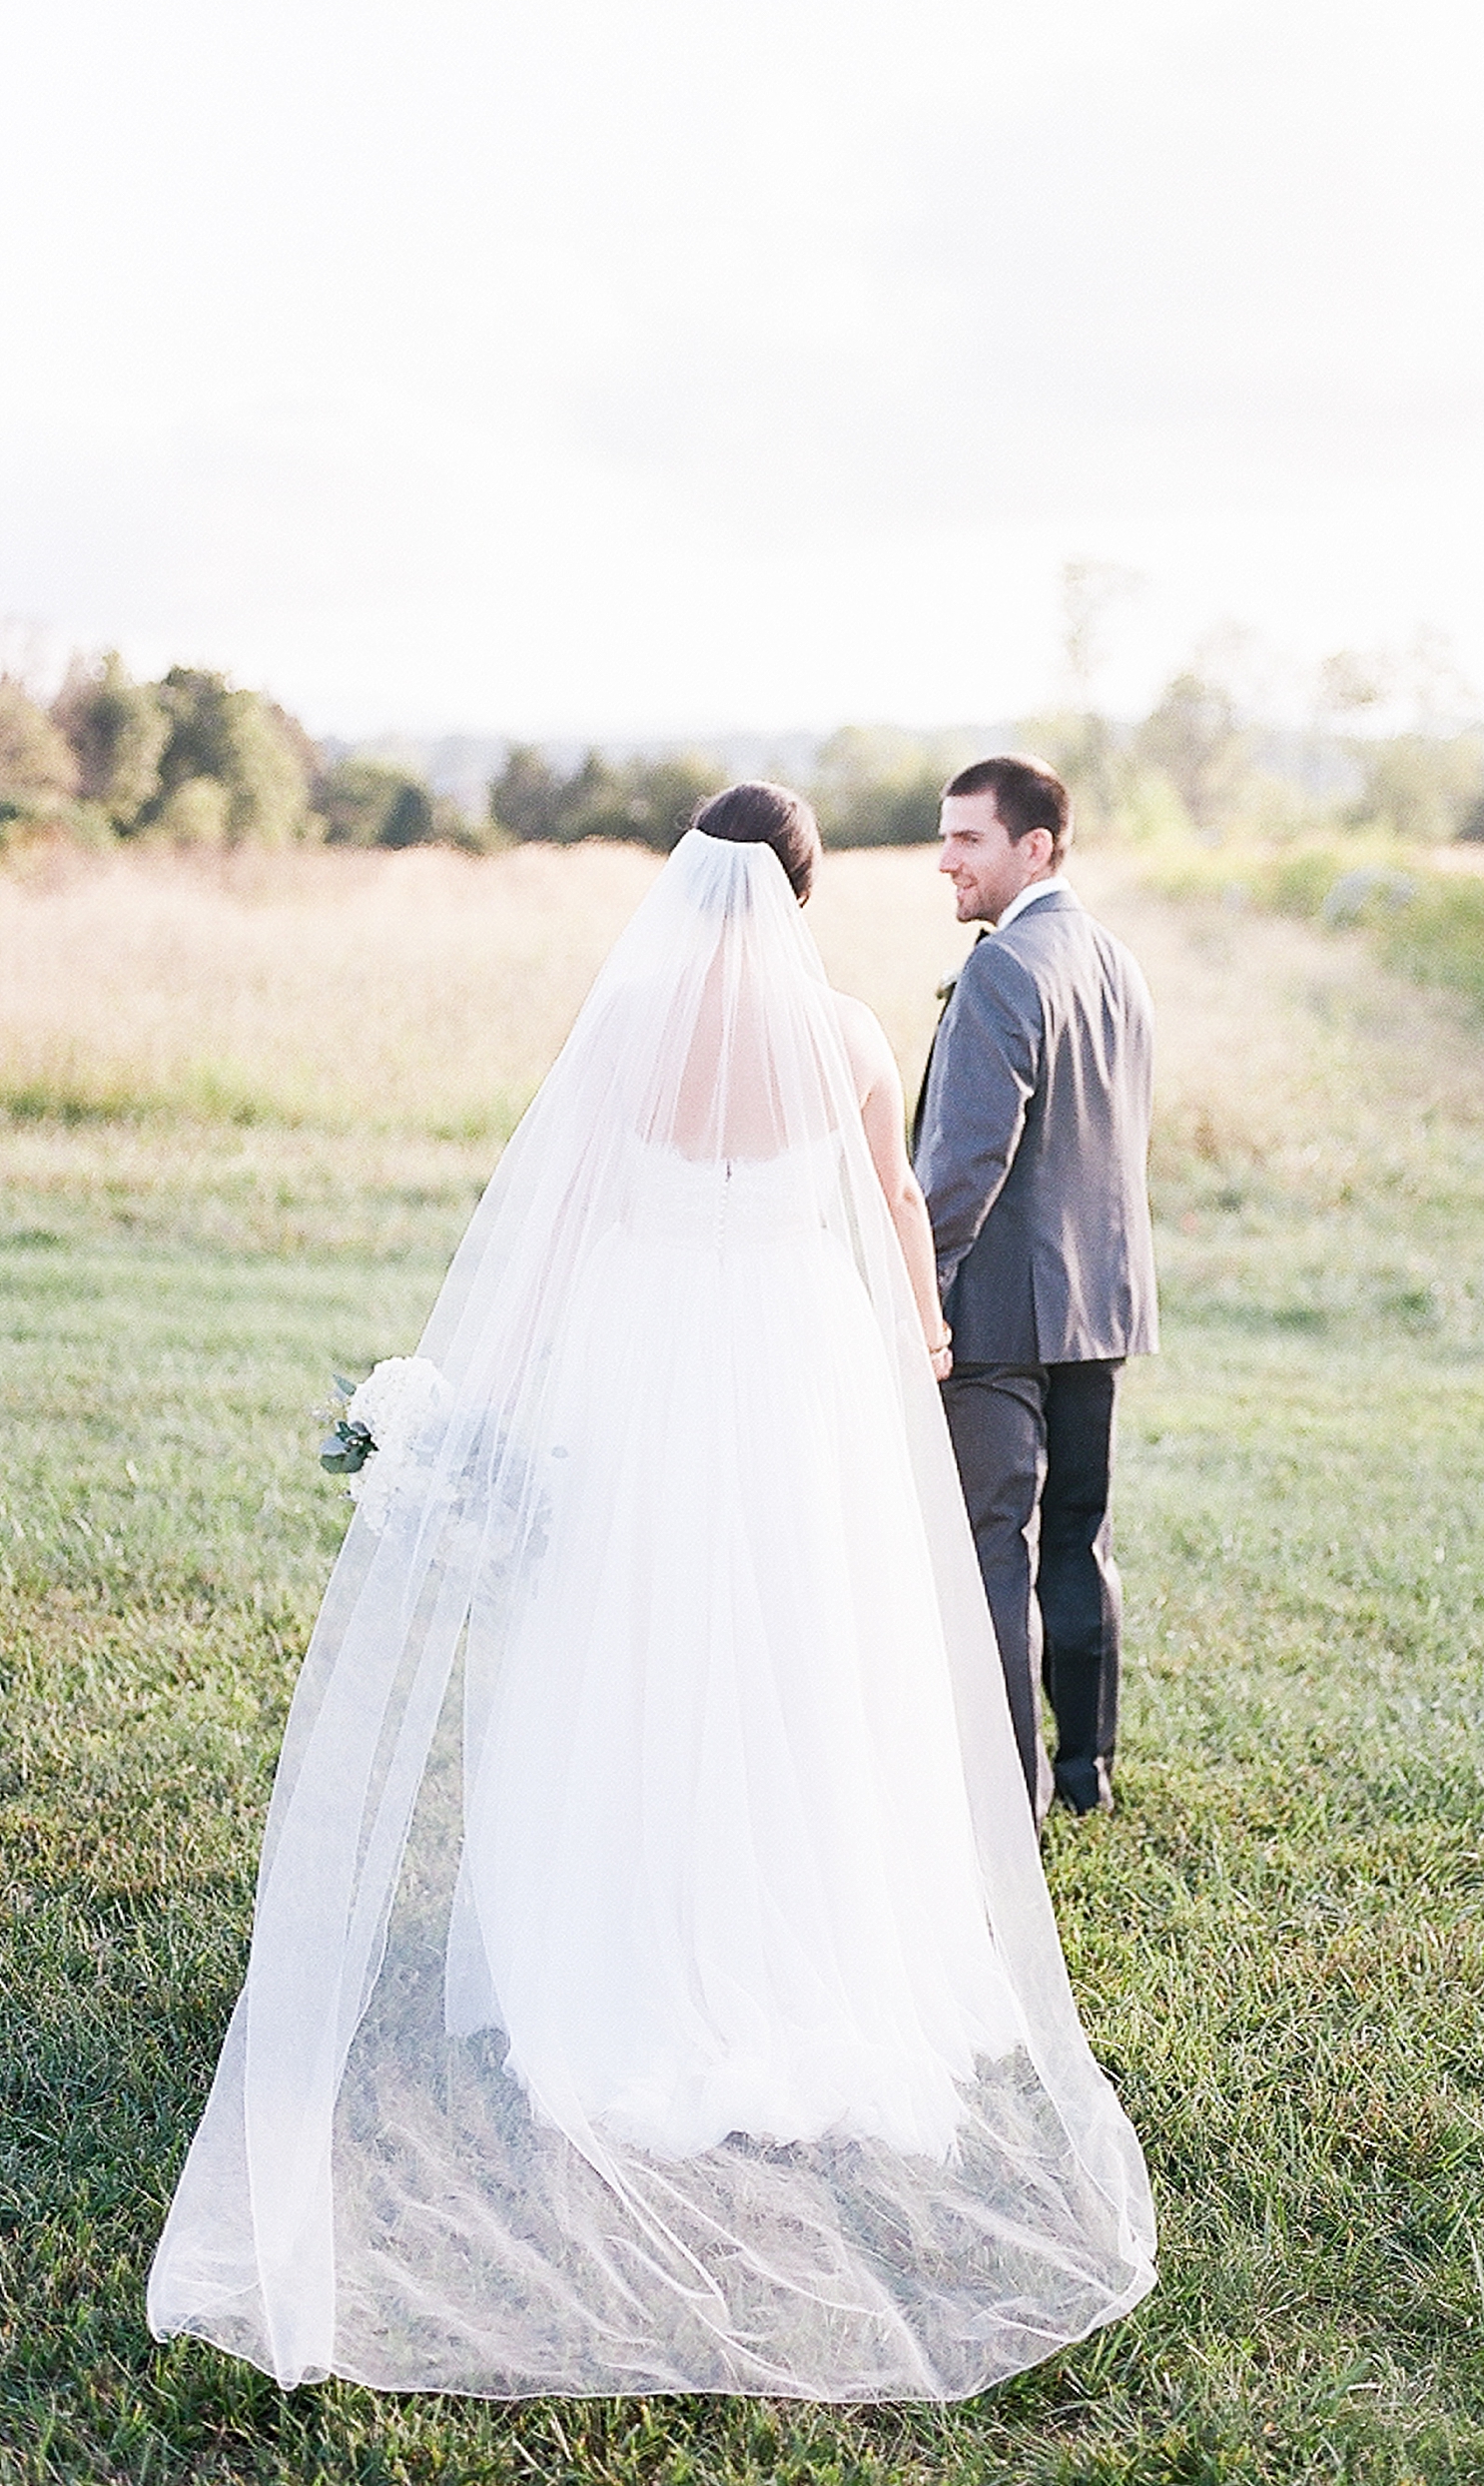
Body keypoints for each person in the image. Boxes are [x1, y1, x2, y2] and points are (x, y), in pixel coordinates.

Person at [148, 784, 1153, 2402]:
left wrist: (476, 1392)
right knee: (803, 1661)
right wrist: (923, 1356)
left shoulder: (623, 1026)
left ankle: (615, 1942)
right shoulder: (846, 1034)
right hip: (801, 1376)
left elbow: (552, 1220)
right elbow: (897, 1212)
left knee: (620, 1653)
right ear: (805, 892)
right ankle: (803, 1937)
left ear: (687, 892)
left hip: (640, 1369)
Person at [914, 757, 1158, 1822]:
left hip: (1003, 1314)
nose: (945, 858)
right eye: (945, 835)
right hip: (1096, 1303)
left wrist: (913, 1295)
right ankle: (1082, 1772)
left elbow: (962, 1164)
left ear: (1034, 847)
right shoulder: (1114, 961)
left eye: (968, 838)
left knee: (992, 1550)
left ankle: (1006, 1803)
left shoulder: (1003, 968)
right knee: (1075, 1538)